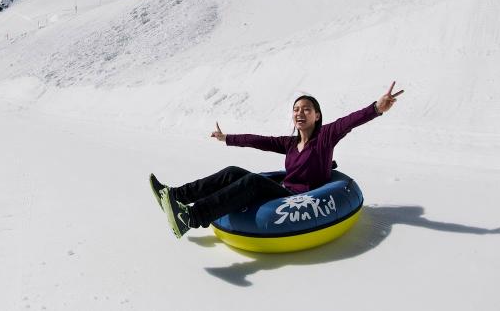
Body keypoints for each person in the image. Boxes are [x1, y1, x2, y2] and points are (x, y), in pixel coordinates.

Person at [150, 81, 404, 239]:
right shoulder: (290, 143)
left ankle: (192, 218)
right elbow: (258, 140)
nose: (299, 113)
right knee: (232, 171)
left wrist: (376, 108)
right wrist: (226, 137)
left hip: (298, 200)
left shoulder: (326, 137)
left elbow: (350, 121)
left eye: (306, 109)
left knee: (252, 182)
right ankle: (174, 195)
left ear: (317, 116)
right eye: (296, 109)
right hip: (281, 191)